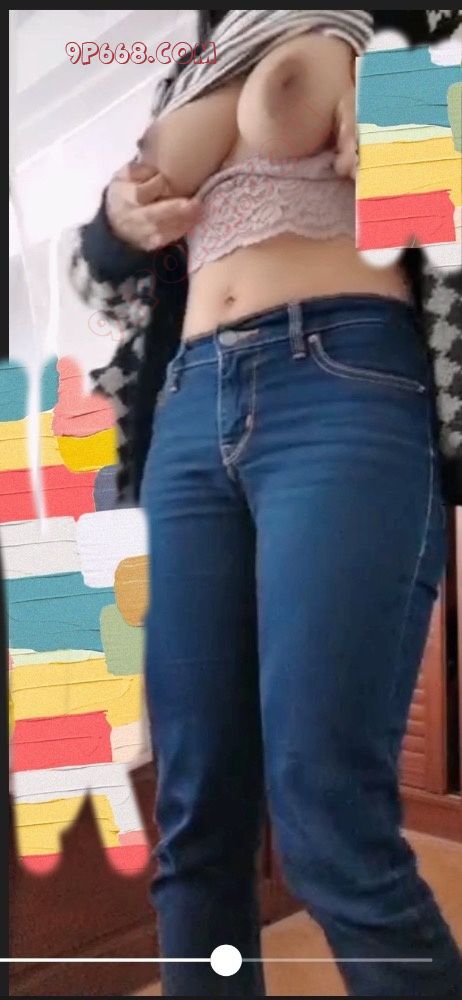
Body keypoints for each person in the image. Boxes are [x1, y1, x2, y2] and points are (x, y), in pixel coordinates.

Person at [70, 10, 462, 997]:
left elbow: (446, 231)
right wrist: (114, 225)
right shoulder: (187, 64)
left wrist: (412, 117)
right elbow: (100, 284)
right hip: (185, 406)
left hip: (347, 380)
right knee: (196, 820)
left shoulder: (404, 34)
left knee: (328, 816)